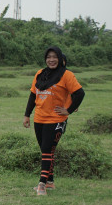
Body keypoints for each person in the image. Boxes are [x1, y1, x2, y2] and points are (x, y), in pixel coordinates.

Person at [23, 46, 85, 196]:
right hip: (39, 118)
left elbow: (80, 93)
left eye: (54, 57)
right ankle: (50, 182)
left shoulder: (67, 75)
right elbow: (33, 95)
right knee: (47, 151)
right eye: (48, 57)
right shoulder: (40, 74)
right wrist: (27, 115)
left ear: (60, 59)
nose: (51, 60)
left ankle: (42, 184)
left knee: (46, 149)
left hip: (56, 119)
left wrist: (68, 110)